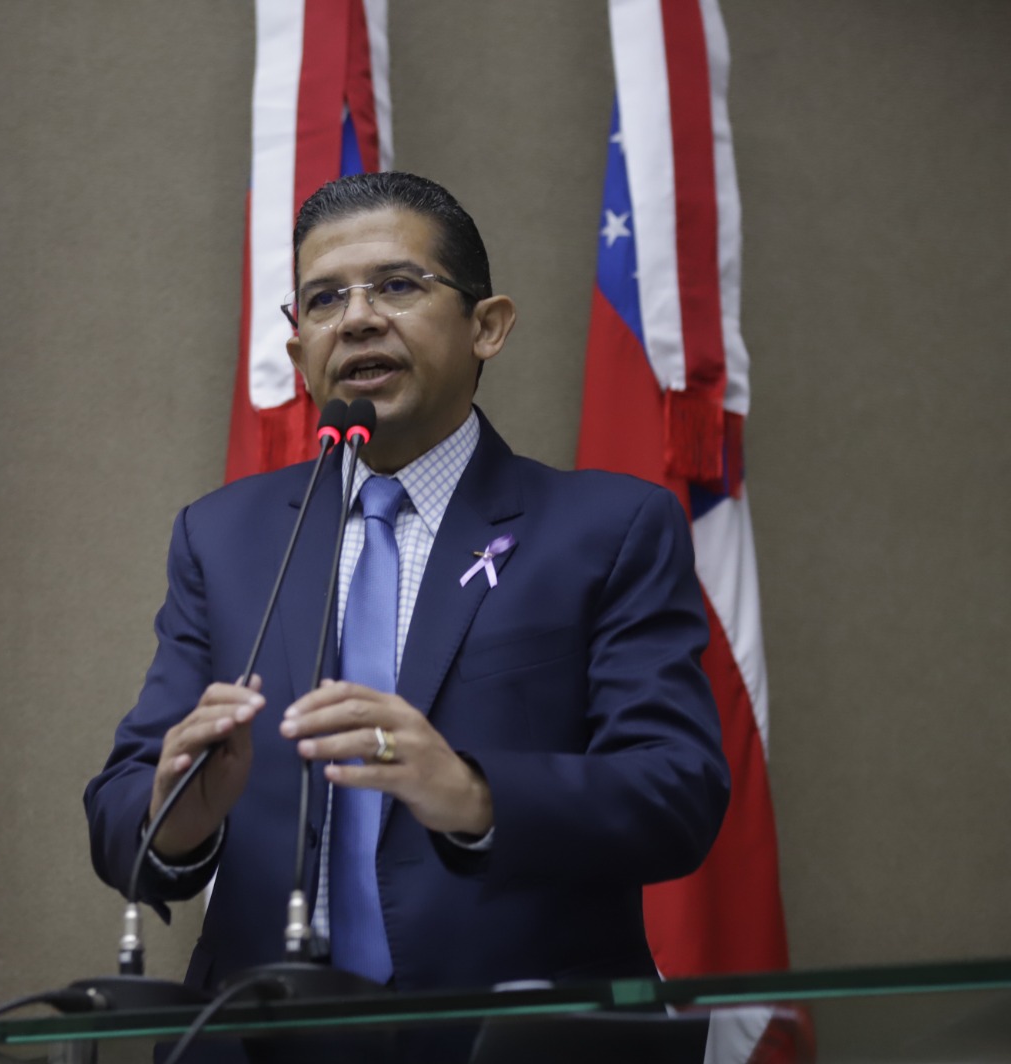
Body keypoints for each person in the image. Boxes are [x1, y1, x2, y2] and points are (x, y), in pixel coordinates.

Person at [84, 172, 729, 1060]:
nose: (354, 319)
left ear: (487, 326)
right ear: (297, 342)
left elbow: (677, 792)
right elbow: (121, 815)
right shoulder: (223, 538)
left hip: (511, 1040)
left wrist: (469, 792)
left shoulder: (607, 528)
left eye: (396, 285)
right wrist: (180, 810)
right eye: (322, 299)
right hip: (258, 1040)